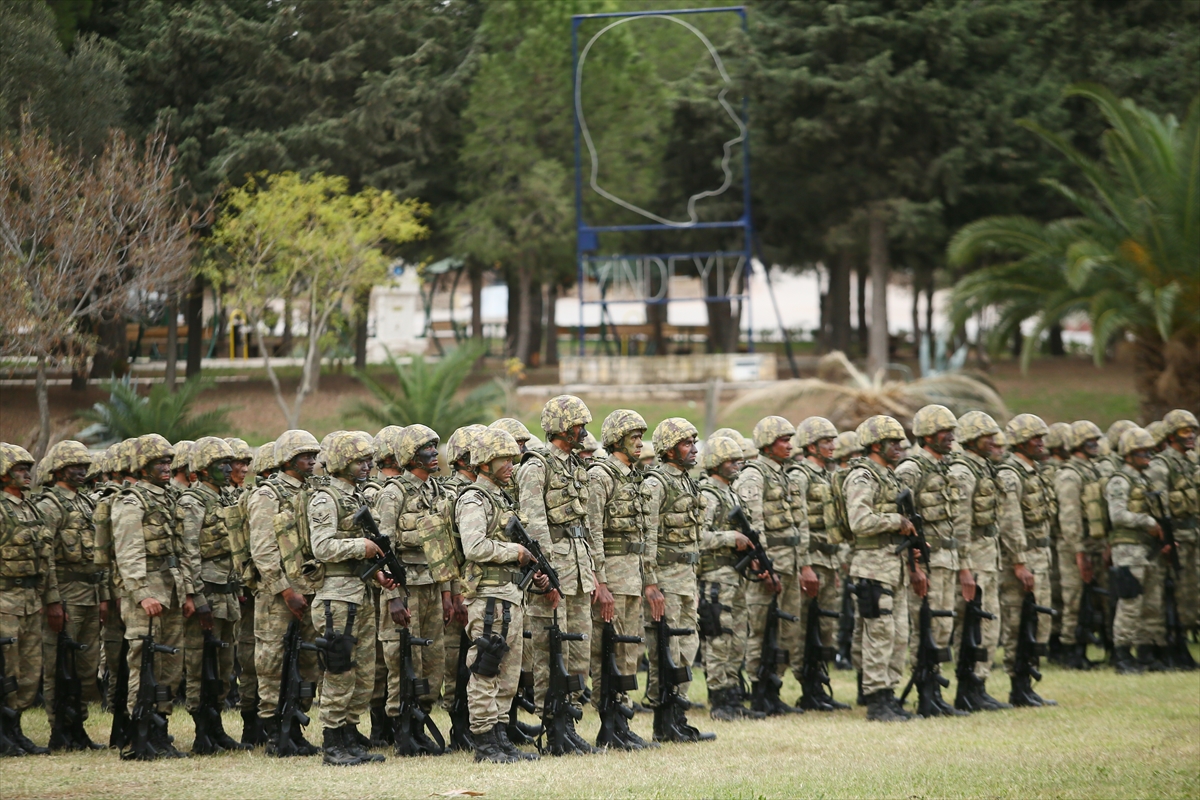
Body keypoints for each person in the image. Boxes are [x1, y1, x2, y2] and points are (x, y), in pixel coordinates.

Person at [516, 396, 601, 755]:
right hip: (555, 571)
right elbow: (534, 524)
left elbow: (586, 523)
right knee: (551, 651)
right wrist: (546, 576)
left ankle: (570, 721)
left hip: (579, 568)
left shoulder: (574, 466)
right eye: (579, 425)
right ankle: (554, 729)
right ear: (564, 428)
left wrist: (594, 570)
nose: (585, 431)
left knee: (578, 649)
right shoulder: (537, 467)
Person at [307, 431, 395, 766]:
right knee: (340, 669)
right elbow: (323, 547)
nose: (368, 465)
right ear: (342, 461)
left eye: (369, 460)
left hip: (359, 593)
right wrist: (363, 547)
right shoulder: (325, 498)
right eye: (360, 460)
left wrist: (377, 572)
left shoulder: (356, 498)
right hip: (336, 596)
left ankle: (349, 735)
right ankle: (333, 743)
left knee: (362, 672)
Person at [455, 429, 540, 763]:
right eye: (504, 459)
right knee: (486, 666)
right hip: (489, 596)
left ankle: (500, 735)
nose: (511, 465)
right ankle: (484, 740)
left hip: (510, 594)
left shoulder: (501, 498)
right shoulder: (474, 498)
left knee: (507, 671)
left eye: (512, 459)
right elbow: (473, 546)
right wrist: (514, 551)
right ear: (485, 463)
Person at [373, 424, 453, 753]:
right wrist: (392, 597)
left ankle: (420, 722)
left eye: (435, 448)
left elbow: (445, 547)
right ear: (410, 456)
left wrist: (448, 594)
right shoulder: (393, 493)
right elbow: (383, 548)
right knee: (402, 660)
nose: (434, 454)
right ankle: (402, 729)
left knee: (432, 662)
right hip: (404, 590)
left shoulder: (438, 492)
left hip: (433, 587)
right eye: (427, 449)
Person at [112, 434, 189, 758]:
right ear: (142, 466)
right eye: (159, 462)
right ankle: (139, 731)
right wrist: (142, 594)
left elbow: (182, 549)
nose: (166, 467)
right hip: (146, 593)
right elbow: (127, 552)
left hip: (171, 588)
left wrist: (187, 592)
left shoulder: (172, 497)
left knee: (169, 664)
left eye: (168, 462)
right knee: (143, 663)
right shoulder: (131, 501)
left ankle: (160, 728)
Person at [586, 410, 659, 746]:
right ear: (616, 440)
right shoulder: (601, 476)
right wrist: (600, 582)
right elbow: (593, 531)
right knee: (608, 651)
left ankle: (623, 720)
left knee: (629, 650)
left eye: (641, 436)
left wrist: (648, 580)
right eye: (633, 437)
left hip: (632, 576)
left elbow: (643, 534)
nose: (640, 443)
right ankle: (609, 720)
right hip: (612, 577)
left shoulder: (634, 477)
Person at [734, 416, 814, 716]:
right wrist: (763, 567)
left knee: (786, 628)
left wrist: (804, 565)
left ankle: (775, 687)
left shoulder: (787, 475)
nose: (789, 445)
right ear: (768, 444)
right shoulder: (754, 476)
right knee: (761, 628)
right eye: (783, 440)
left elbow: (799, 522)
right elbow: (754, 526)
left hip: (791, 562)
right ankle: (758, 690)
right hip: (769, 564)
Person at [248, 430, 322, 756]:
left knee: (307, 661)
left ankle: (296, 729)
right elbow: (262, 550)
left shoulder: (314, 491)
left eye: (314, 455)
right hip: (278, 596)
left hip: (312, 590)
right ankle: (275, 733)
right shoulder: (267, 494)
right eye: (306, 455)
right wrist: (285, 590)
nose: (313, 460)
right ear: (289, 459)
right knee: (273, 662)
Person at [895, 405, 972, 717]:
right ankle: (926, 693)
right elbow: (902, 521)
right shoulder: (910, 470)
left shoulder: (947, 467)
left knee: (942, 628)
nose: (951, 436)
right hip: (926, 562)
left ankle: (936, 693)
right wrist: (914, 566)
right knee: (924, 627)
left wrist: (963, 563)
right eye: (944, 431)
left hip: (948, 559)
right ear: (927, 435)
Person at [843, 416, 920, 722]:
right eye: (894, 442)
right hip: (873, 569)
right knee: (879, 634)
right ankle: (876, 699)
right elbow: (859, 521)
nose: (900, 447)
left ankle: (889, 694)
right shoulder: (863, 477)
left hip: (894, 568)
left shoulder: (888, 476)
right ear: (877, 445)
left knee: (898, 635)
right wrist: (896, 522)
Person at [641, 418, 713, 743]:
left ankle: (678, 716)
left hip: (685, 580)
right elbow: (647, 537)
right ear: (669, 450)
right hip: (665, 582)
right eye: (687, 443)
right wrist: (651, 583)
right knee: (665, 651)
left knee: (687, 647)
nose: (694, 449)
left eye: (694, 442)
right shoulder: (656, 484)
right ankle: (663, 721)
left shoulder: (688, 482)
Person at [176, 437, 250, 754]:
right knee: (199, 665)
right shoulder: (193, 502)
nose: (230, 469)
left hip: (229, 594)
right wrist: (195, 596)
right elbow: (187, 552)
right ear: (205, 470)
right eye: (222, 465)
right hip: (206, 593)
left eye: (229, 463)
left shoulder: (227, 498)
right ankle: (201, 731)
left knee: (222, 666)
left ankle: (216, 726)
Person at [35, 441, 105, 750]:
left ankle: (79, 727)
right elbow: (45, 556)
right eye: (75, 466)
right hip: (64, 595)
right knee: (58, 664)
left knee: (84, 667)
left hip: (89, 594)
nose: (82, 471)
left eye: (84, 466)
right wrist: (52, 601)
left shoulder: (86, 503)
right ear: (59, 469)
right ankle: (59, 729)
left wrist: (102, 595)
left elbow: (99, 555)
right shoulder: (50, 505)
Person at [947, 412, 1011, 711]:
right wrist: (964, 568)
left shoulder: (982, 467)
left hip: (988, 557)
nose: (993, 442)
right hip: (973, 560)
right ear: (972, 438)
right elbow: (960, 523)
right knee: (973, 627)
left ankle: (979, 686)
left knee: (988, 627)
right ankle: (968, 688)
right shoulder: (963, 472)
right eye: (988, 436)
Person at [0, 443, 62, 755]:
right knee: (6, 671)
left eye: (28, 469)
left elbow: (46, 559)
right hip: (4, 602)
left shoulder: (31, 508)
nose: (27, 474)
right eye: (19, 469)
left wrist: (52, 600)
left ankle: (16, 730)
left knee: (28, 672)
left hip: (30, 601)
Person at [696, 435, 760, 721]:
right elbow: (697, 537)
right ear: (716, 464)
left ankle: (733, 696)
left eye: (738, 461)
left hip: (735, 577)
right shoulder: (708, 495)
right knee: (719, 639)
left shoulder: (730, 493)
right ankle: (720, 699)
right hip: (715, 578)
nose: (737, 466)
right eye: (731, 461)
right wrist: (730, 538)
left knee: (737, 638)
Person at [788, 416, 851, 712]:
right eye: (826, 441)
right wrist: (805, 565)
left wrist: (836, 565)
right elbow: (798, 524)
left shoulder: (829, 475)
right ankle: (807, 686)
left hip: (828, 561)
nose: (832, 446)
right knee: (806, 626)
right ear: (811, 445)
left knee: (826, 626)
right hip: (810, 561)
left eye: (833, 441)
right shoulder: (800, 476)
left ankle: (820, 684)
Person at [995, 414, 1056, 707]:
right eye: (1036, 438)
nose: (1041, 443)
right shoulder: (1010, 474)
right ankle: (1017, 686)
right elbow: (1011, 521)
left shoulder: (1035, 471)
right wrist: (1019, 562)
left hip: (1041, 556)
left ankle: (1028, 683)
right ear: (1020, 441)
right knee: (1019, 623)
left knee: (1039, 622)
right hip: (1022, 558)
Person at [1108, 427, 1169, 674]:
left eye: (1149, 451)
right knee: (1131, 602)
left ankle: (1146, 653)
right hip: (1128, 549)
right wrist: (1149, 523)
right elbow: (1117, 515)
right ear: (1129, 454)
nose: (1147, 455)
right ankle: (1122, 655)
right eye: (1141, 451)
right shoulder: (1119, 481)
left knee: (1151, 603)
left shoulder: (1144, 480)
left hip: (1148, 549)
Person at [1053, 420, 1108, 670]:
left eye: (1096, 440)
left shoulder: (1093, 470)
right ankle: (1071, 652)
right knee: (1074, 599)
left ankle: (1095, 648)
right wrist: (1079, 551)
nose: (1095, 445)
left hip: (1096, 545)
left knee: (1098, 600)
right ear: (1077, 445)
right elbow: (1069, 516)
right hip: (1075, 548)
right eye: (1090, 441)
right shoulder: (1068, 475)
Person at [1147, 409, 1198, 669]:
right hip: (1174, 539)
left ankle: (1182, 647)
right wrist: (1165, 539)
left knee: (1189, 595)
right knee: (1171, 593)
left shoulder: (1191, 462)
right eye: (1184, 431)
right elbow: (1159, 506)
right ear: (1171, 435)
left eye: (1192, 431)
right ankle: (1167, 648)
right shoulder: (1161, 465)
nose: (1190, 436)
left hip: (1192, 537)